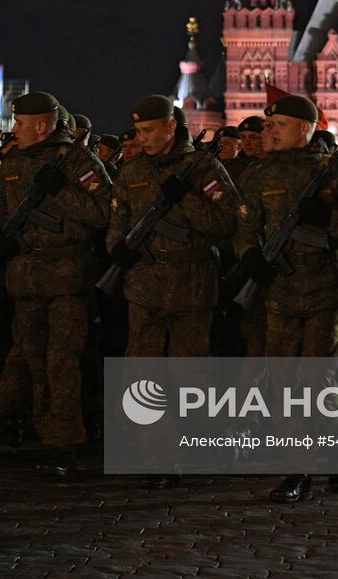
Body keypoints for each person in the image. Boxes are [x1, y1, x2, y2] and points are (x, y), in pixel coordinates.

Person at [233, 94, 338, 503]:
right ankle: (297, 467)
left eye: (279, 126)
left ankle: (333, 448)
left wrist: (330, 220)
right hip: (280, 289)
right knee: (283, 381)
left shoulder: (336, 174)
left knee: (315, 381)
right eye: (268, 126)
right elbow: (243, 225)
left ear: (307, 129)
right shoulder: (258, 174)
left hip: (326, 286)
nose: (269, 131)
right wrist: (251, 256)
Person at [107, 94, 236, 490]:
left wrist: (190, 200)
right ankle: (157, 457)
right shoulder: (133, 171)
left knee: (189, 377)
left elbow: (227, 221)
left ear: (170, 127)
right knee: (144, 376)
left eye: (148, 131)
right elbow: (119, 219)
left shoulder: (203, 168)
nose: (142, 138)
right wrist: (119, 248)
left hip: (191, 287)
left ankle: (196, 451)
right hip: (145, 285)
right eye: (139, 132)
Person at [0, 92, 111, 477]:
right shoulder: (13, 163)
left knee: (62, 361)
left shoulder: (77, 161)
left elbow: (103, 212)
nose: (15, 130)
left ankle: (65, 441)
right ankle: (44, 430)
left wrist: (63, 191)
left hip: (67, 275)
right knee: (34, 359)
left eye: (20, 123)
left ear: (42, 125)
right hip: (26, 277)